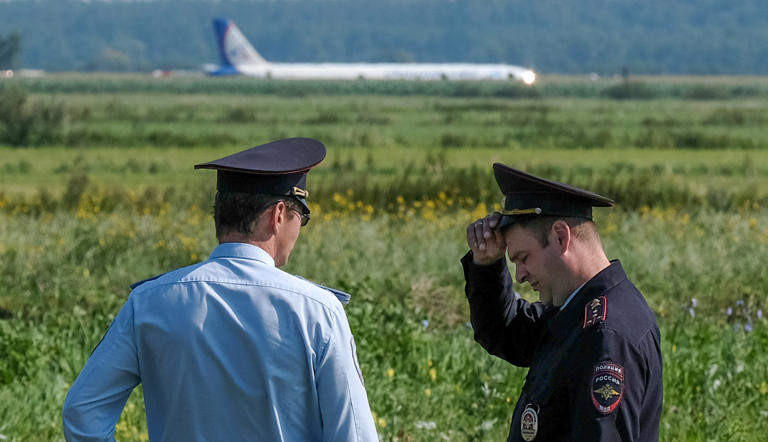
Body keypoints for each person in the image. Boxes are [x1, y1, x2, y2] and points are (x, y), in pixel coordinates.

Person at [63, 138, 378, 442]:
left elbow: (83, 413)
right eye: (302, 217)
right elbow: (355, 434)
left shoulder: (149, 301)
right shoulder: (317, 309)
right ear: (278, 215)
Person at [462, 163, 662, 441]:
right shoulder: (578, 311)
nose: (519, 276)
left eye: (523, 258)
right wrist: (486, 264)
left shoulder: (607, 335)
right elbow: (506, 333)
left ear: (560, 237)